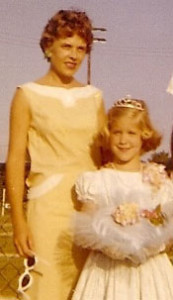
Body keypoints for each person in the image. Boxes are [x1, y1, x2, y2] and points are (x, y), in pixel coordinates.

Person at [5, 9, 106, 300]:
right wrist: (19, 223)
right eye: (66, 45)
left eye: (81, 49)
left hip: (90, 211)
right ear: (49, 46)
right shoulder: (27, 94)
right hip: (47, 209)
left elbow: (105, 157)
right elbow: (14, 160)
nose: (73, 55)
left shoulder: (94, 97)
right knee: (47, 289)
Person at [72, 96, 173, 300]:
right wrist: (113, 246)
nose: (123, 140)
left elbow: (164, 221)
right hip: (107, 269)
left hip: (150, 269)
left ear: (144, 136)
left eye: (131, 133)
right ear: (108, 135)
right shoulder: (97, 180)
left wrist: (148, 245)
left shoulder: (157, 178)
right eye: (117, 132)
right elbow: (87, 224)